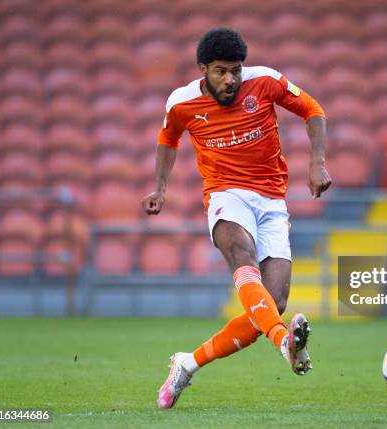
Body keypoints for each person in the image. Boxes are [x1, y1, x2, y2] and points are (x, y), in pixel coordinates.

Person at [141, 27, 331, 409]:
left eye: (235, 70)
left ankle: (187, 364)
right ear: (203, 69)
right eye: (221, 71)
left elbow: (313, 110)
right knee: (243, 260)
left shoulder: (266, 82)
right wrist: (160, 187)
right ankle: (283, 343)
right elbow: (168, 139)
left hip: (272, 202)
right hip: (225, 195)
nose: (230, 79)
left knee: (273, 303)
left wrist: (317, 163)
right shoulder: (181, 102)